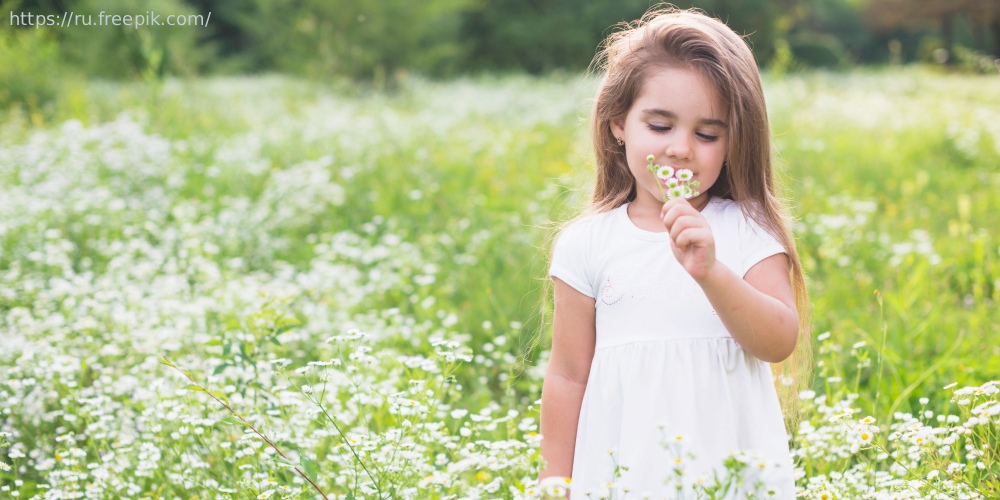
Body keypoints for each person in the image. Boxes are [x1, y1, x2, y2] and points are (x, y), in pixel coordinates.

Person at [538, 7, 810, 499]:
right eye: (660, 126)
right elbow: (567, 374)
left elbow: (778, 341)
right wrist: (555, 483)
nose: (681, 149)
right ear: (618, 123)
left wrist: (711, 271)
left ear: (733, 142)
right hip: (625, 475)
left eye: (707, 134)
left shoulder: (746, 228)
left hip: (727, 477)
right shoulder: (587, 244)